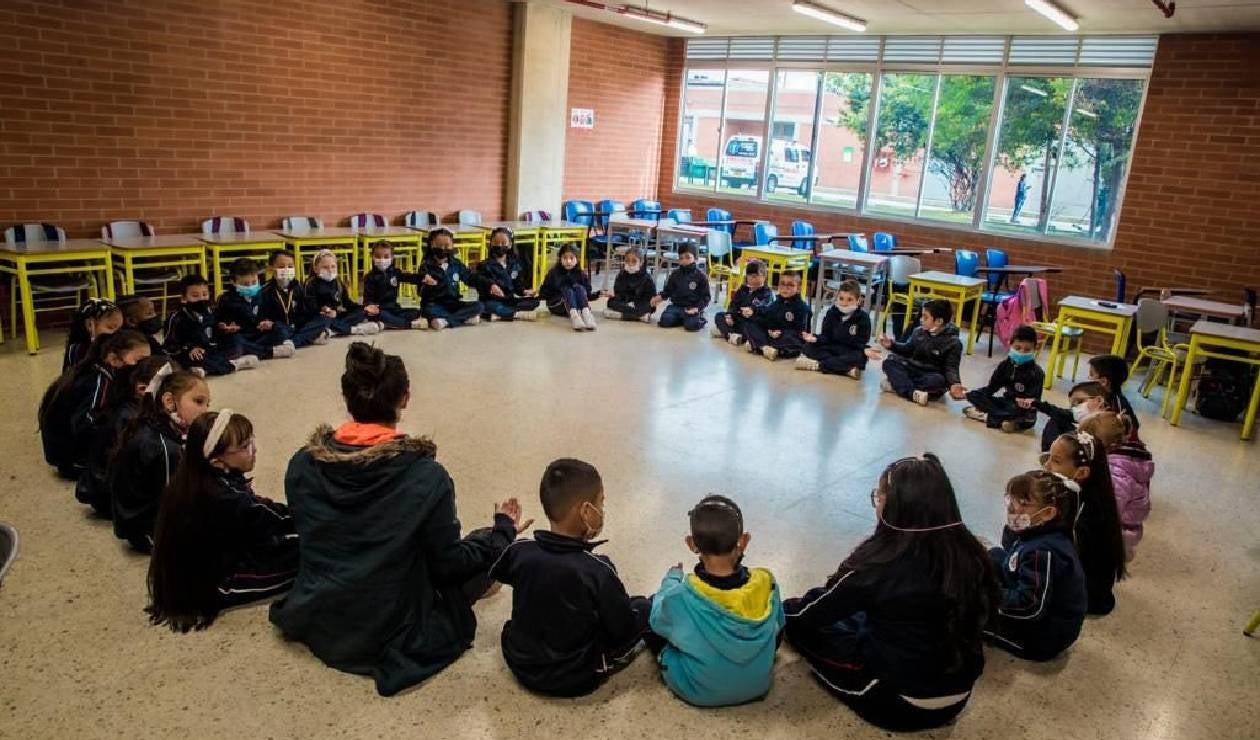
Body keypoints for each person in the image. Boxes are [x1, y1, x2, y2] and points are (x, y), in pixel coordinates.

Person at [270, 343, 528, 696]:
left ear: (348, 400)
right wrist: (501, 532)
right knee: (482, 559)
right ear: (405, 398)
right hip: (390, 622)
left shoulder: (302, 462)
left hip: (321, 611)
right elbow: (448, 565)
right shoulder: (425, 477)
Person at [784, 455, 995, 732]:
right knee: (870, 612)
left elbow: (810, 615)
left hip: (897, 701)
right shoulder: (973, 551)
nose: (877, 504)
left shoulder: (878, 564)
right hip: (959, 694)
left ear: (895, 506)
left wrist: (784, 609)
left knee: (798, 622)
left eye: (879, 497)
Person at [489, 458, 650, 697]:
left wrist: (503, 525)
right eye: (601, 504)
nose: (602, 511)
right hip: (575, 676)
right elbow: (623, 630)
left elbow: (496, 561)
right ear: (586, 511)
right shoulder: (598, 570)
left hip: (520, 661)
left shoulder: (520, 552)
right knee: (644, 608)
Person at [147, 410, 299, 632]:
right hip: (216, 584)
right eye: (245, 446)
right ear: (218, 462)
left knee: (295, 540)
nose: (254, 449)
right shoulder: (224, 497)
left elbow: (260, 510)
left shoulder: (200, 477)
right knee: (308, 557)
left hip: (211, 564)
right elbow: (271, 519)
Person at [648, 495, 784, 707]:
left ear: (691, 544)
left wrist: (671, 580)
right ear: (744, 540)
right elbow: (778, 628)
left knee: (654, 617)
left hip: (698, 691)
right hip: (759, 685)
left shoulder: (681, 595)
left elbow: (657, 622)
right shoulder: (767, 582)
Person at [985, 471, 1087, 661]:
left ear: (1048, 513)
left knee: (968, 617)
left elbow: (1030, 607)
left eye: (1023, 505)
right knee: (991, 555)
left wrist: (988, 598)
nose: (1012, 510)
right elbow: (1011, 552)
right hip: (1039, 605)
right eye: (1011, 502)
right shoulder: (1038, 532)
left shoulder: (1041, 552)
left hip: (1041, 637)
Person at [111, 369, 210, 553]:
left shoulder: (157, 425)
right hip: (149, 531)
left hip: (138, 519)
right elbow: (171, 502)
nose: (205, 410)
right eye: (198, 402)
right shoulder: (164, 447)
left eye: (207, 404)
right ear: (169, 401)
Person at [39, 329, 152, 480]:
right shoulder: (100, 381)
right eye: (139, 361)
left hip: (65, 455)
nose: (144, 367)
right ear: (113, 359)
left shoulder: (96, 369)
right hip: (75, 462)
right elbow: (85, 424)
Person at [1043, 430, 1127, 616]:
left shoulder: (1084, 512)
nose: (1047, 466)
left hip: (1082, 596)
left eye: (1056, 461)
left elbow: (1059, 556)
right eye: (1048, 457)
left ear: (1081, 472)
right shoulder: (1088, 494)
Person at [77, 354, 171, 518]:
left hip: (102, 489)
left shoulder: (134, 409)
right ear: (142, 389)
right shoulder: (132, 418)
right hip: (107, 496)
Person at [1080, 412, 1153, 562]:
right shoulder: (1123, 460)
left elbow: (1109, 511)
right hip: (1123, 526)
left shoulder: (1117, 475)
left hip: (1117, 532)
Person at [869, 299, 966, 407]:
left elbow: (951, 367)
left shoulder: (954, 342)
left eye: (925, 317)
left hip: (930, 375)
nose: (921, 320)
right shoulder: (918, 331)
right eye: (921, 316)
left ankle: (898, 385)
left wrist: (954, 384)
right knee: (889, 361)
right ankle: (912, 392)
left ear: (938, 321)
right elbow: (907, 350)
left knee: (939, 381)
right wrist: (892, 345)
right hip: (912, 368)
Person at [164, 274, 261, 375]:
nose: (201, 299)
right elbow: (168, 346)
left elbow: (212, 333)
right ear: (183, 298)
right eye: (195, 296)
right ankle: (235, 364)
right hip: (192, 354)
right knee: (191, 360)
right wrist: (189, 349)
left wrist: (223, 329)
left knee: (236, 341)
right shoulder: (176, 317)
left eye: (205, 294)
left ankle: (207, 369)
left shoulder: (210, 310)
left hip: (211, 349)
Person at [963, 325, 1044, 432]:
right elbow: (991, 388)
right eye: (1018, 348)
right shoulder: (1005, 366)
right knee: (975, 395)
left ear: (1034, 349)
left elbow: (1033, 402)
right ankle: (1004, 421)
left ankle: (986, 417)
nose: (1022, 352)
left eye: (1027, 350)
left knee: (1020, 413)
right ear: (1010, 344)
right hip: (1006, 402)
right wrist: (969, 394)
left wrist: (1024, 402)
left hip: (1022, 410)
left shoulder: (1036, 372)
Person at [215, 257, 296, 359]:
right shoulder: (225, 300)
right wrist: (224, 328)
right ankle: (270, 352)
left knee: (282, 330)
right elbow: (218, 326)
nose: (250, 286)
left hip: (259, 335)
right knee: (234, 342)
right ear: (233, 281)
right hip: (241, 336)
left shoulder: (263, 294)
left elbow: (274, 318)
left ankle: (250, 351)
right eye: (245, 284)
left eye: (254, 282)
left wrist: (270, 324)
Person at [796, 278, 870, 379]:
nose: (844, 303)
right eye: (841, 298)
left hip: (849, 350)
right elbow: (826, 336)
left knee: (860, 357)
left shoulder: (863, 318)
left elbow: (861, 342)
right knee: (808, 347)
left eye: (850, 299)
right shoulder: (831, 313)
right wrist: (816, 338)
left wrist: (865, 350)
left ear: (858, 301)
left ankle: (818, 365)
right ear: (837, 298)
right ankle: (847, 370)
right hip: (832, 347)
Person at [260, 251, 332, 347]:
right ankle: (306, 338)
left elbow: (306, 310)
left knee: (324, 319)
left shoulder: (297, 286)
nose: (286, 270)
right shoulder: (265, 290)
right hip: (280, 328)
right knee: (279, 332)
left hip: (297, 326)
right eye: (281, 267)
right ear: (271, 269)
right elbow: (262, 318)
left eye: (290, 267)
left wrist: (320, 311)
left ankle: (294, 342)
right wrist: (268, 323)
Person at [303, 250, 381, 336]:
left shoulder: (338, 281)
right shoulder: (310, 284)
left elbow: (347, 303)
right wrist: (323, 311)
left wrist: (365, 308)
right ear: (315, 269)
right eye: (325, 267)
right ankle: (354, 329)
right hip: (320, 316)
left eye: (333, 266)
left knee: (362, 312)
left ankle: (333, 331)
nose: (330, 270)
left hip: (336, 315)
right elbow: (310, 309)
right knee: (323, 320)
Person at [418, 228, 484, 330]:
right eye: (439, 246)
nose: (443, 249)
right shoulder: (426, 266)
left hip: (454, 303)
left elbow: (470, 277)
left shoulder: (456, 264)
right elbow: (420, 291)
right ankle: (462, 318)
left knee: (479, 306)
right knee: (427, 310)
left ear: (452, 246)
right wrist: (428, 285)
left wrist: (488, 284)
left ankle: (446, 321)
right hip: (435, 304)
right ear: (432, 245)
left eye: (446, 246)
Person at [1025, 380, 1110, 453]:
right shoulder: (1072, 418)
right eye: (1073, 406)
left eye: (1080, 402)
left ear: (1099, 400)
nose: (1076, 408)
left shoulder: (1109, 429)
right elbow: (1060, 412)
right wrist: (1036, 404)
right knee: (1056, 419)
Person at [474, 227, 540, 322]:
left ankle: (500, 315)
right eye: (496, 243)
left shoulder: (515, 264)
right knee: (489, 306)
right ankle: (516, 314)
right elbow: (481, 286)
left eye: (503, 243)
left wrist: (525, 292)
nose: (499, 246)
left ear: (510, 245)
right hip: (492, 301)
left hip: (509, 300)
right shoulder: (484, 265)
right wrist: (491, 287)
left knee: (535, 302)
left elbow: (517, 287)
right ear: (491, 244)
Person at [743, 272, 811, 361]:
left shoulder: (802, 307)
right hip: (773, 336)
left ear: (798, 288)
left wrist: (781, 333)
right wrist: (754, 311)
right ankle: (765, 348)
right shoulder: (777, 302)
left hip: (789, 338)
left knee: (792, 339)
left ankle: (759, 345)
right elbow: (767, 317)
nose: (785, 288)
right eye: (782, 284)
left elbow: (801, 333)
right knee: (750, 324)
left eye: (790, 285)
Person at [362, 241, 426, 329]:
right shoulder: (369, 277)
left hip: (393, 308)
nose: (382, 259)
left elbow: (409, 277)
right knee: (381, 316)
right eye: (378, 256)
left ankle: (388, 324)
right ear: (372, 257)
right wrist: (371, 306)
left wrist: (423, 278)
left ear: (392, 258)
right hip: (379, 310)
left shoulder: (395, 273)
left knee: (416, 312)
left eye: (386, 257)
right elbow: (367, 298)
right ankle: (409, 324)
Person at [539, 243, 601, 331]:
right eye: (565, 258)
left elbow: (587, 294)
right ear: (560, 259)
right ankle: (575, 317)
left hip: (576, 305)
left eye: (571, 258)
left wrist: (598, 294)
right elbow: (544, 292)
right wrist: (538, 295)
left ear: (576, 259)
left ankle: (586, 315)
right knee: (568, 290)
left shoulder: (580, 273)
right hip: (557, 305)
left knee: (579, 288)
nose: (568, 261)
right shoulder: (553, 273)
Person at [710, 260, 772, 345]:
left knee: (752, 326)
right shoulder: (743, 290)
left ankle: (728, 334)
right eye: (749, 276)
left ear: (764, 277)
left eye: (756, 276)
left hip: (753, 321)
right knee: (719, 315)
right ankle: (732, 335)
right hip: (739, 319)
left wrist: (752, 310)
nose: (752, 279)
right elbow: (733, 304)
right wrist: (730, 315)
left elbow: (765, 306)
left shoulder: (766, 292)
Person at [652, 243, 710, 332]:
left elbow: (706, 297)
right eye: (681, 258)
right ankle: (682, 318)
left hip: (692, 307)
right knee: (665, 321)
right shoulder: (675, 274)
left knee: (692, 326)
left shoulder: (701, 276)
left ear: (695, 258)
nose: (684, 261)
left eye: (688, 257)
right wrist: (660, 297)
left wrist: (697, 308)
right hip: (676, 306)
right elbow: (668, 290)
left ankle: (697, 317)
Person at [1088, 354, 1141, 441]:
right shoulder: (1105, 398)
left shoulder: (1116, 407)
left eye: (1091, 375)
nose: (1088, 378)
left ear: (1103, 381)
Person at [63, 298, 123, 371]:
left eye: (118, 329)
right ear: (90, 325)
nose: (115, 333)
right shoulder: (79, 350)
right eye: (110, 327)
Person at [603, 246, 656, 323]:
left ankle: (623, 315)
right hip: (626, 302)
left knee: (649, 306)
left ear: (641, 262)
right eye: (627, 261)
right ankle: (639, 316)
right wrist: (614, 295)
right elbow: (619, 293)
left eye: (634, 261)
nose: (630, 264)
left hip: (640, 303)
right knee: (611, 302)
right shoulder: (621, 275)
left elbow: (651, 298)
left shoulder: (647, 278)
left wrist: (636, 303)